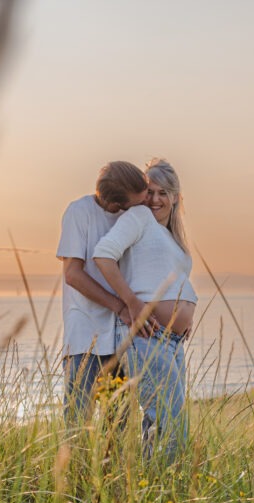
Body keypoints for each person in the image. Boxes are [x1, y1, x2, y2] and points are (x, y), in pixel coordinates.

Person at [93, 159, 196, 463]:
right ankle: (164, 496)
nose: (155, 200)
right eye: (149, 191)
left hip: (172, 342)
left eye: (163, 193)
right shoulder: (139, 217)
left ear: (176, 197)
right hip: (147, 337)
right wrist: (133, 304)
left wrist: (183, 317)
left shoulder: (174, 238)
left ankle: (155, 491)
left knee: (161, 423)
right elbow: (103, 255)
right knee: (171, 423)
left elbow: (165, 277)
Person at [57, 160, 148, 424]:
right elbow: (73, 274)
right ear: (114, 206)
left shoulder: (135, 217)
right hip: (85, 337)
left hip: (122, 336)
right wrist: (121, 305)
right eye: (137, 204)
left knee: (118, 425)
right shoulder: (79, 212)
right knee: (77, 422)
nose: (144, 208)